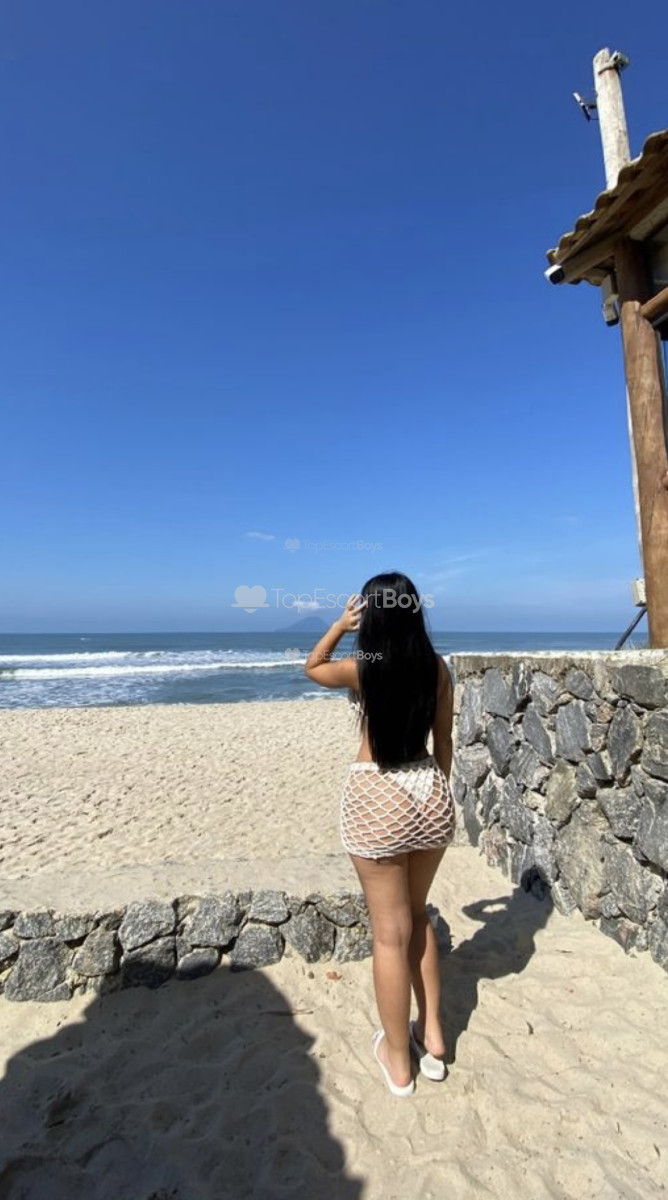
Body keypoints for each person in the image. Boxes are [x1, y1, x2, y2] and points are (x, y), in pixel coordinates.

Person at [304, 571, 456, 1097]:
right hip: (430, 793)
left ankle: (397, 1060)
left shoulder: (365, 667)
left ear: (371, 616)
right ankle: (432, 1037)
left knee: (390, 934)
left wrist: (338, 626)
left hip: (377, 797)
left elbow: (312, 667)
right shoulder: (437, 668)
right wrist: (435, 793)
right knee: (418, 917)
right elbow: (444, 744)